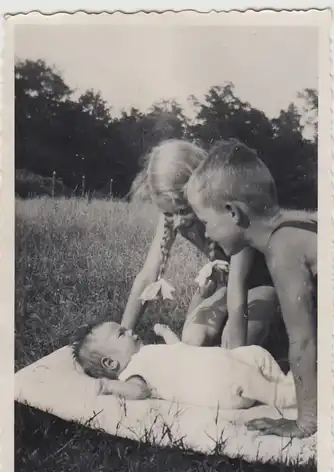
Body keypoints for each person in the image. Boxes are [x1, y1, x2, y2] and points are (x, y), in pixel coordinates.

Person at [186, 138, 317, 438]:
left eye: (205, 221)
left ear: (233, 213)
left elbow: (304, 341)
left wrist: (305, 422)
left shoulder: (282, 248)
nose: (204, 232)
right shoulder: (295, 226)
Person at [121, 139, 282, 355]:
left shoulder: (228, 214)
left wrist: (234, 357)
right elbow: (148, 275)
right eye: (169, 214)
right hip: (226, 287)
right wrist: (122, 335)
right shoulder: (173, 215)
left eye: (183, 210)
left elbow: (238, 286)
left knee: (237, 342)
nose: (177, 222)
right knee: (192, 339)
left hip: (266, 284)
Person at [71, 320, 296, 410]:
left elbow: (179, 351)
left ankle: (281, 380)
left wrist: (167, 334)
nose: (130, 330)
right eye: (122, 334)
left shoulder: (146, 354)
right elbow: (138, 391)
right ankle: (283, 397)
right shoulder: (132, 372)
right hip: (218, 384)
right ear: (111, 363)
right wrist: (108, 386)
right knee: (244, 377)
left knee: (255, 353)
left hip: (222, 362)